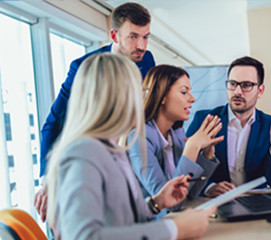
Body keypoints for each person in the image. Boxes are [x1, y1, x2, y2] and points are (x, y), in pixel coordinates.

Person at [46, 53, 215, 240]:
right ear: (114, 97)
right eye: (136, 91)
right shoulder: (84, 152)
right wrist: (174, 230)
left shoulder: (109, 148)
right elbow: (83, 236)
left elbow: (120, 216)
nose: (142, 99)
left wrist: (156, 202)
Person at [35, 2, 155, 221]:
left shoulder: (146, 61)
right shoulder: (84, 67)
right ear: (114, 35)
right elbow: (54, 122)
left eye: (146, 36)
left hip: (127, 157)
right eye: (133, 37)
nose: (141, 45)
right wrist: (46, 179)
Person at [187, 56, 271, 197]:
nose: (237, 91)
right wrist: (209, 187)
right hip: (215, 205)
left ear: (260, 91)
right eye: (233, 84)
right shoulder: (204, 120)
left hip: (256, 205)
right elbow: (184, 172)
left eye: (246, 85)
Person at [129, 65, 223, 210]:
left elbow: (191, 193)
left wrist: (206, 155)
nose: (192, 99)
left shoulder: (177, 134)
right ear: (163, 97)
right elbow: (168, 204)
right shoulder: (139, 139)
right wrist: (192, 148)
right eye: (184, 92)